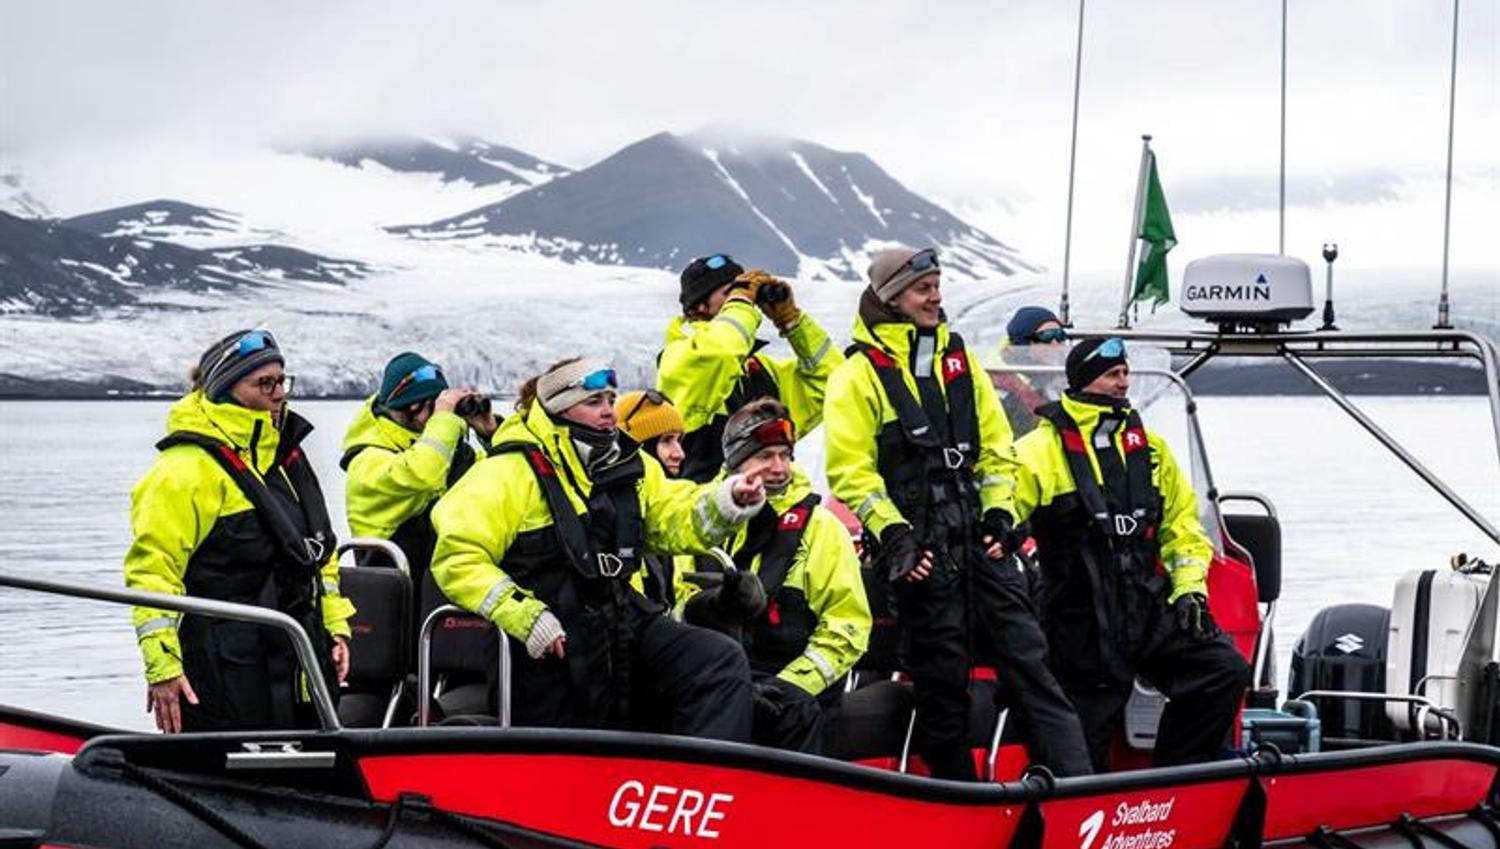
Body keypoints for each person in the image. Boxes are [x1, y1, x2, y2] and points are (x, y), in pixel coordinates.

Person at [824, 246, 1093, 780]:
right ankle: (958, 803)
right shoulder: (857, 375)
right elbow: (851, 471)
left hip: (980, 543)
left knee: (1031, 665)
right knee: (943, 686)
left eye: (938, 285)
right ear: (893, 296)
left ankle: (1078, 788)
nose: (936, 296)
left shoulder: (960, 359)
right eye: (924, 288)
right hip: (919, 556)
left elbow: (997, 449)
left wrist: (1000, 518)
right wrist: (895, 538)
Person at [430, 357, 765, 739]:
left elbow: (673, 516)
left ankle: (706, 785)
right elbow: (457, 557)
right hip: (547, 640)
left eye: (610, 399)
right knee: (571, 727)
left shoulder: (630, 462)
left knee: (716, 661)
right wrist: (525, 616)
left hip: (624, 621)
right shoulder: (504, 473)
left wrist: (729, 500)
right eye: (594, 402)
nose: (608, 411)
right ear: (559, 406)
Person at [1011, 337, 1252, 771]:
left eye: (1125, 373)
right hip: (1078, 620)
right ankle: (1082, 814)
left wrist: (1190, 592)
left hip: (1146, 607)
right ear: (1084, 380)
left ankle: (1175, 778)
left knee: (1222, 669)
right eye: (1112, 374)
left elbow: (1183, 529)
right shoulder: (1037, 451)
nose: (1123, 383)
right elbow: (1001, 511)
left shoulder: (1151, 449)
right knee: (1081, 750)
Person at [125, 329, 354, 733]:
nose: (280, 393)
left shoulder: (284, 457)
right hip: (225, 666)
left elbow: (320, 555)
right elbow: (153, 572)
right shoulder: (184, 470)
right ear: (226, 388)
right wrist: (162, 666)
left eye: (282, 380)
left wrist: (335, 628)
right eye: (265, 383)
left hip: (298, 658)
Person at [681, 398, 871, 754]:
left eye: (785, 455)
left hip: (791, 684)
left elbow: (848, 626)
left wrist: (790, 686)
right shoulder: (705, 521)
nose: (778, 467)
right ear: (736, 462)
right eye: (765, 456)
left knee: (794, 713)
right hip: (716, 676)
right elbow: (674, 609)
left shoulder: (821, 528)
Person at [657, 253, 842, 481]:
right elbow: (720, 352)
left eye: (744, 292)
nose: (745, 299)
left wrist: (792, 322)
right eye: (730, 293)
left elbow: (834, 382)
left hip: (765, 501)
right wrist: (741, 303)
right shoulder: (680, 357)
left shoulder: (759, 370)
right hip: (710, 504)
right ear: (700, 306)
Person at [342, 352, 499, 587]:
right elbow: (420, 475)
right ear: (410, 406)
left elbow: (500, 483)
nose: (440, 413)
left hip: (446, 588)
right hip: (392, 595)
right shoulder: (366, 460)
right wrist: (444, 418)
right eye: (433, 405)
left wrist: (490, 434)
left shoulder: (448, 451)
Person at [615, 389, 690, 607]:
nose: (679, 453)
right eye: (667, 441)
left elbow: (674, 598)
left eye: (679, 441)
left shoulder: (663, 513)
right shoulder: (619, 513)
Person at [994, 305, 1069, 436]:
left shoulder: (1057, 372)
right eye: (1046, 337)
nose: (1056, 344)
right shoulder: (1002, 385)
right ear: (1023, 343)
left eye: (1060, 335)